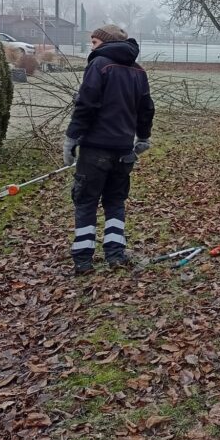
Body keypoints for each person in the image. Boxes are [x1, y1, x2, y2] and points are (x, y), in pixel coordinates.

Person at [63, 24, 155, 275]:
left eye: (94, 42)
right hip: (124, 149)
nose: (91, 47)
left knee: (86, 201)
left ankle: (83, 260)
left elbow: (86, 104)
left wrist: (71, 137)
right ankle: (115, 254)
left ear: (107, 42)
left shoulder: (100, 64)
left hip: (95, 148)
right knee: (115, 201)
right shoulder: (138, 71)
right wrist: (143, 137)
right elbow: (146, 107)